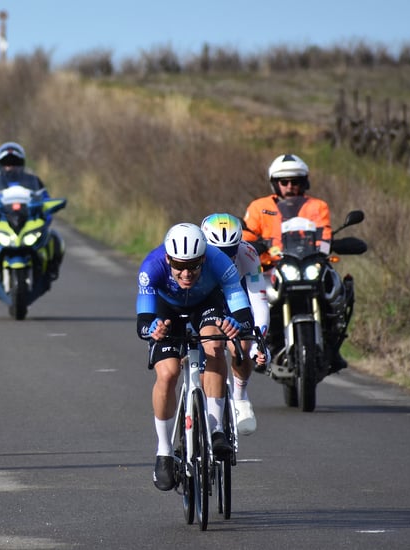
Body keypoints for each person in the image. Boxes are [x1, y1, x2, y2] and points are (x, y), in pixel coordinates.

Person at [136, 223, 255, 491]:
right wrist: (152, 329)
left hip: (206, 304)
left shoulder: (219, 261)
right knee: (167, 373)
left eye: (193, 265)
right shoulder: (151, 266)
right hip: (167, 309)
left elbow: (239, 303)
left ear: (204, 257)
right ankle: (164, 451)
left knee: (214, 346)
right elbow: (143, 318)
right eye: (179, 265)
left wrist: (239, 325)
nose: (186, 273)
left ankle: (215, 430)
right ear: (168, 259)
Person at [241, 153, 346, 373]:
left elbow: (324, 233)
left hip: (309, 264)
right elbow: (247, 234)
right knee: (254, 294)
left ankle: (333, 344)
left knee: (338, 288)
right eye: (284, 182)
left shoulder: (317, 206)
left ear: (304, 182)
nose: (290, 186)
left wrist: (327, 247)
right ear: (275, 183)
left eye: (295, 181)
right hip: (273, 267)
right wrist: (255, 246)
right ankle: (261, 343)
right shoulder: (260, 207)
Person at [200, 213, 270, 436]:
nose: (225, 257)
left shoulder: (248, 253)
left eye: (230, 251)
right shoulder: (197, 253)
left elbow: (259, 299)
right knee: (209, 350)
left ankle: (240, 396)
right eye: (217, 251)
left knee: (242, 347)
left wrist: (260, 340)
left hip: (235, 299)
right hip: (204, 301)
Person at [0, 142, 65, 288]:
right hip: (3, 222)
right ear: (0, 165)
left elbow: (45, 200)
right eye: (6, 163)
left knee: (55, 239)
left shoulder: (34, 181)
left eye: (14, 163)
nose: (10, 167)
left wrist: (46, 212)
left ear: (22, 164)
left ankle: (51, 270)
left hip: (29, 221)